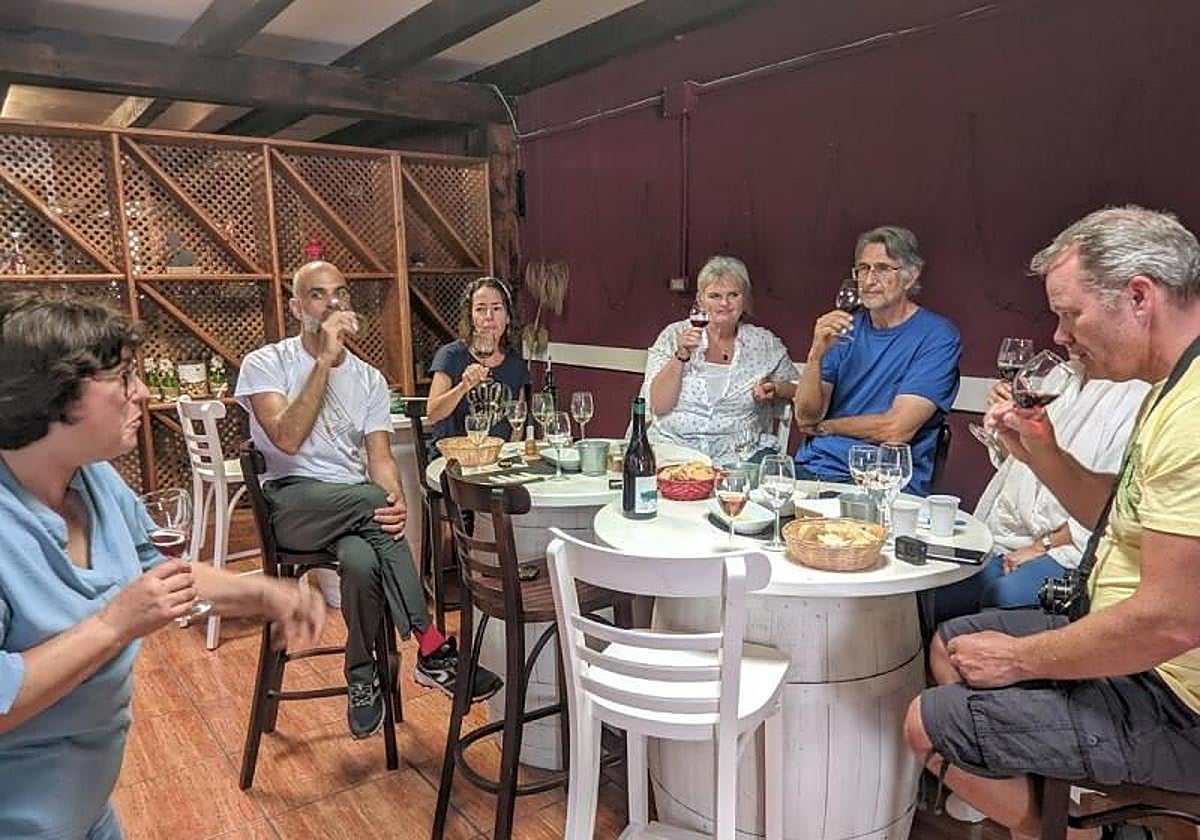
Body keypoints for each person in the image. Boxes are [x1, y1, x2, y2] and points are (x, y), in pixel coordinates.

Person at [905, 206, 1200, 840]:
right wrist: (1042, 450)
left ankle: (1082, 831)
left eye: (1070, 313)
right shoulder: (1168, 386)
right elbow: (1112, 514)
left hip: (1177, 696)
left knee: (926, 721)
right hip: (1130, 637)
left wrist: (1020, 659)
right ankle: (1057, 810)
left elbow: (1173, 620)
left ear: (1139, 296)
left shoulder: (1194, 410)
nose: (1061, 336)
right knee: (952, 642)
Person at [0, 291, 324, 840]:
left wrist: (270, 595)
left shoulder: (93, 478)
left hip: (86, 809)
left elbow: (165, 575)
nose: (143, 393)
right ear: (56, 396)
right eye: (124, 378)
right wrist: (113, 623)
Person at [236, 261, 501, 742]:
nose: (332, 302)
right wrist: (323, 360)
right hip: (291, 505)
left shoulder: (370, 380)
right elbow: (288, 438)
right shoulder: (266, 363)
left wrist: (394, 496)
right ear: (297, 307)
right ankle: (432, 648)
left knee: (361, 560)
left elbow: (379, 458)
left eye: (339, 293)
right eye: (318, 295)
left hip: (355, 511)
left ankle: (362, 679)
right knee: (368, 503)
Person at [933, 373, 1148, 624]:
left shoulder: (1135, 396)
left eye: (1072, 330)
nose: (1060, 336)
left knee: (1003, 595)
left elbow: (1111, 505)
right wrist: (1006, 431)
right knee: (935, 593)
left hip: (1069, 549)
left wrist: (1042, 545)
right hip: (1009, 537)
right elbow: (1018, 465)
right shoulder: (1059, 378)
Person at [786, 226, 961, 494]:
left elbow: (896, 429)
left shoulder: (937, 336)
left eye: (882, 268)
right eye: (863, 269)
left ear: (910, 276)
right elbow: (806, 417)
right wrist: (815, 355)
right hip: (813, 471)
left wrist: (827, 428)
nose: (869, 280)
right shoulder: (846, 328)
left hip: (881, 483)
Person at [640, 255, 798, 464]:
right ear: (700, 300)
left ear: (745, 300)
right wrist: (681, 356)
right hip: (673, 454)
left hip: (740, 458)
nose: (724, 303)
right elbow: (658, 406)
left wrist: (776, 388)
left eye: (733, 294)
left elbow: (799, 388)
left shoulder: (764, 343)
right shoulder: (673, 335)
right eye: (715, 295)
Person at [426, 276, 529, 452]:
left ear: (507, 317)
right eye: (481, 309)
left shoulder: (516, 363)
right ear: (471, 317)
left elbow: (517, 425)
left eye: (496, 308)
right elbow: (433, 414)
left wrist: (509, 457)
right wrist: (462, 387)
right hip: (454, 460)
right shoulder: (451, 356)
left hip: (499, 460)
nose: (489, 317)